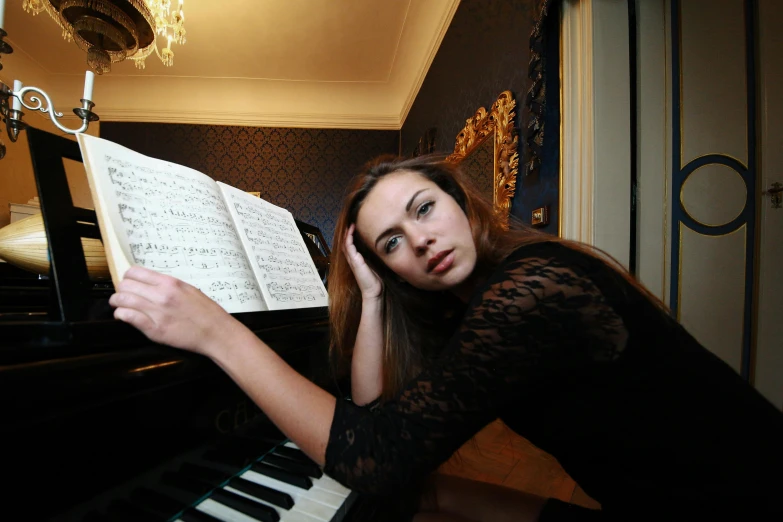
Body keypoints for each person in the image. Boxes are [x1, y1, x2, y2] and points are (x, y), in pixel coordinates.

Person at [110, 154, 783, 521]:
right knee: (420, 497)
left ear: (460, 201)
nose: (421, 239)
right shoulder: (466, 314)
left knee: (406, 489)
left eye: (423, 208)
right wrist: (370, 298)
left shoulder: (535, 287)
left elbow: (373, 457)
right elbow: (377, 418)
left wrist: (219, 333)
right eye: (392, 243)